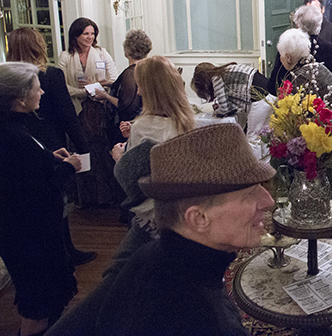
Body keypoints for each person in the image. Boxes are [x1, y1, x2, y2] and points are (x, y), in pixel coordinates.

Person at [48, 122, 275, 335]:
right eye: (249, 195)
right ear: (198, 218)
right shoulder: (205, 319)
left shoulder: (149, 255)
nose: (268, 201)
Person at [0, 62, 82, 336]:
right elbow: (41, 193)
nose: (43, 92)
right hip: (27, 236)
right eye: (37, 88)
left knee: (40, 303)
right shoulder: (13, 136)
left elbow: (25, 170)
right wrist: (69, 167)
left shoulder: (12, 126)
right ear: (20, 98)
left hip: (22, 231)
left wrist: (48, 156)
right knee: (39, 308)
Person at [103, 55, 198, 278]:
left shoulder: (144, 127)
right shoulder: (186, 120)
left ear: (151, 90)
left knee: (116, 274)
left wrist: (119, 156)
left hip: (152, 215)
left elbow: (132, 179)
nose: (137, 92)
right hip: (181, 213)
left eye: (140, 86)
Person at [7, 27, 95, 266]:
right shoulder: (51, 75)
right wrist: (84, 148)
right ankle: (65, 252)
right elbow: (68, 116)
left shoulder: (8, 79)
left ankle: (61, 251)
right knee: (58, 201)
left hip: (21, 145)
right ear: (38, 46)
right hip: (51, 142)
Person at [58, 17, 119, 207]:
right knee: (83, 149)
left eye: (92, 33)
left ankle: (105, 196)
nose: (90, 37)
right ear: (75, 35)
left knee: (101, 150)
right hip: (77, 110)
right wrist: (82, 91)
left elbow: (114, 79)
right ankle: (86, 198)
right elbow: (62, 87)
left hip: (99, 109)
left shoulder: (101, 53)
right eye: (86, 33)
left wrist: (96, 86)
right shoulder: (65, 57)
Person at [267, 4, 332, 94]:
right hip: (327, 104)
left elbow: (274, 85)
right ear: (319, 25)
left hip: (295, 104)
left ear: (297, 25)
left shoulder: (288, 49)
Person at [93, 28, 152, 144]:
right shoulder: (148, 67)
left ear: (127, 51)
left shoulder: (130, 74)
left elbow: (126, 106)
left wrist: (106, 96)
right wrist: (111, 83)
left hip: (126, 129)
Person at [191, 61, 270, 126]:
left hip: (258, 98)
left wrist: (217, 111)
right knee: (262, 136)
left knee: (253, 139)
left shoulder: (216, 78)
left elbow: (224, 110)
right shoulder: (225, 70)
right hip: (266, 93)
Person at [275, 28, 332, 103]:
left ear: (288, 58)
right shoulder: (319, 67)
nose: (280, 59)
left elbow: (301, 111)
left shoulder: (300, 78)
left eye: (281, 55)